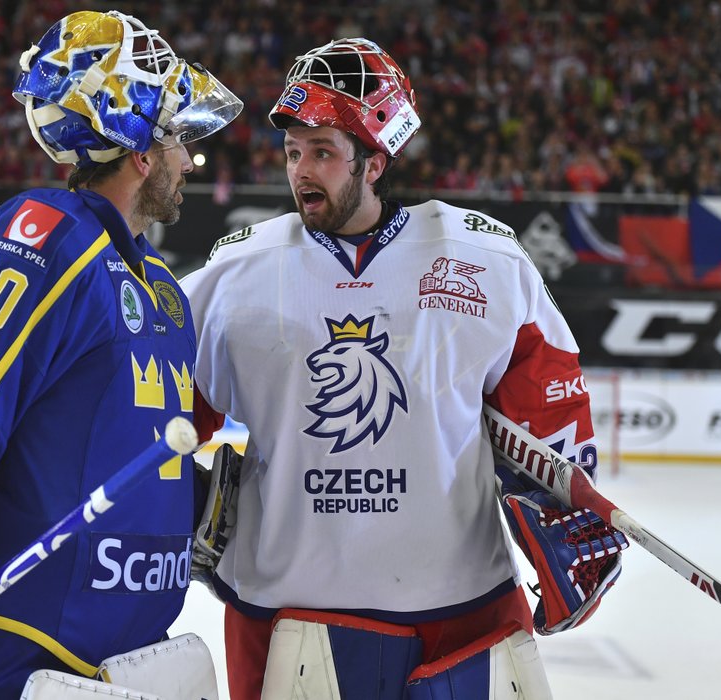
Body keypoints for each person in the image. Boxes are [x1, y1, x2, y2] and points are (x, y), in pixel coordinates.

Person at [182, 39, 626, 699]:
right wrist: (175, 507)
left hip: (462, 609)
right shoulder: (232, 275)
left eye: (325, 152)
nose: (302, 171)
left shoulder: (485, 261)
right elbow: (158, 411)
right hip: (284, 606)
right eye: (294, 152)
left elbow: (549, 415)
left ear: (376, 160)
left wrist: (567, 507)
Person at [0, 11, 241, 699]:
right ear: (140, 149)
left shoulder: (166, 296)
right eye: (177, 137)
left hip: (135, 656)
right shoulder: (51, 240)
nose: (188, 159)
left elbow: (119, 441)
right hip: (23, 652)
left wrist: (197, 504)